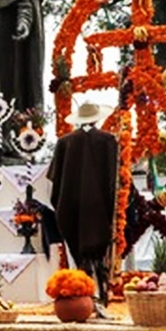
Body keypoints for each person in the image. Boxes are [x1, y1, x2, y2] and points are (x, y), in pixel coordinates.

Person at [48, 103, 119, 308]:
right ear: (96, 119)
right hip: (101, 207)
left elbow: (55, 179)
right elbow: (116, 178)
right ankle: (102, 290)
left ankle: (83, 290)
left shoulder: (65, 142)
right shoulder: (108, 141)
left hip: (71, 205)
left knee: (79, 250)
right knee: (100, 251)